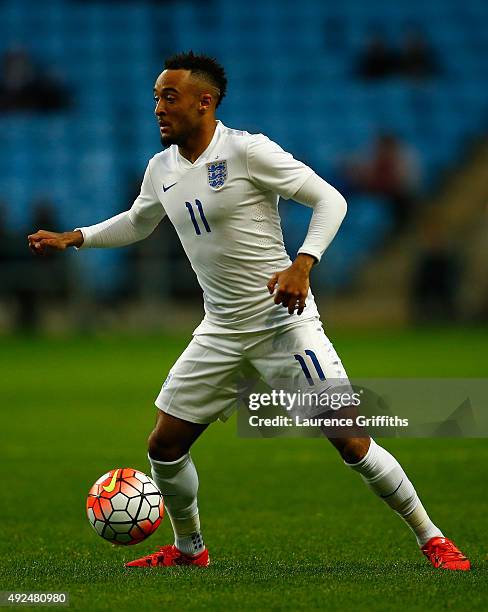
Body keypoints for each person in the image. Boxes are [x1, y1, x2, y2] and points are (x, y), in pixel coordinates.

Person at [28, 52, 469, 571]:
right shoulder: (161, 168)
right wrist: (77, 237)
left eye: (169, 98)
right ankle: (191, 549)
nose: (159, 109)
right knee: (164, 445)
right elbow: (139, 221)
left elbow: (332, 200)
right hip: (220, 329)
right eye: (155, 99)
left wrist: (303, 265)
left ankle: (433, 538)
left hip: (283, 323)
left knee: (351, 441)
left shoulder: (247, 151)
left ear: (205, 102)